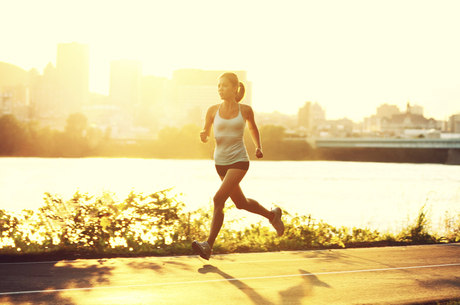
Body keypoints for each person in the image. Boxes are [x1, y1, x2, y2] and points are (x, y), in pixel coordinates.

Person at [192, 72, 284, 260]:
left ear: (235, 88)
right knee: (240, 204)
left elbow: (252, 128)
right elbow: (206, 132)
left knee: (218, 199)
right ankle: (272, 215)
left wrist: (258, 147)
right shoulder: (212, 110)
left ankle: (208, 245)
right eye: (218, 86)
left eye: (224, 86)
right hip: (220, 163)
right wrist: (203, 135)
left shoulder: (245, 110)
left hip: (239, 161)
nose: (220, 89)